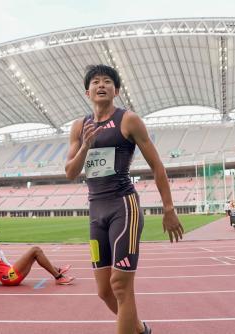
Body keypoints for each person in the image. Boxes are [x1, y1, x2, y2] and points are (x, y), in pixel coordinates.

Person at [65, 64, 184, 334]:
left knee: (120, 284)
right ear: (88, 91)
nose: (102, 85)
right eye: (96, 82)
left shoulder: (128, 120)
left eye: (108, 81)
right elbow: (70, 172)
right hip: (96, 211)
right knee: (104, 291)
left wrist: (169, 208)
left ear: (116, 90)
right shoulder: (78, 126)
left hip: (123, 207)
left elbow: (158, 166)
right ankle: (140, 330)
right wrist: (85, 144)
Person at [0, 219, 75, 292]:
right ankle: (59, 277)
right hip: (8, 277)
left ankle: (58, 271)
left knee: (34, 254)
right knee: (35, 250)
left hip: (10, 276)